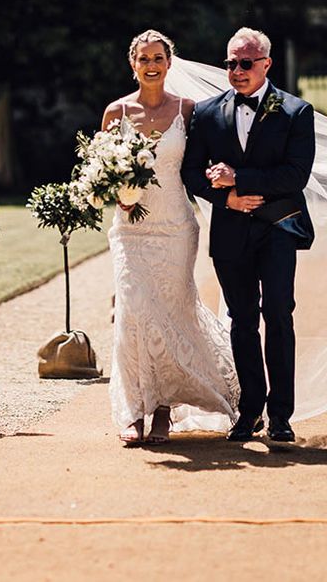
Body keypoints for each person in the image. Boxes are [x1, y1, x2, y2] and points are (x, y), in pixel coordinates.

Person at [103, 29, 240, 445]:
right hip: (130, 230)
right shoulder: (115, 113)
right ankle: (133, 411)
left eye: (158, 58)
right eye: (143, 59)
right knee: (132, 315)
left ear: (169, 62)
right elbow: (102, 171)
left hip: (177, 228)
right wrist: (118, 195)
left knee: (172, 314)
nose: (151, 65)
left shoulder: (189, 110)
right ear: (133, 65)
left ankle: (163, 411)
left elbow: (200, 167)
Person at [182, 27, 315, 443]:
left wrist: (239, 178)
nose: (236, 71)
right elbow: (190, 173)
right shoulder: (205, 114)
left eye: (245, 63)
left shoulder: (296, 111)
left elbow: (296, 174)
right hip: (230, 233)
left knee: (278, 315)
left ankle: (281, 416)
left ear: (266, 64)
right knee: (241, 321)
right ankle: (249, 410)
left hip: (277, 229)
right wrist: (227, 200)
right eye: (231, 63)